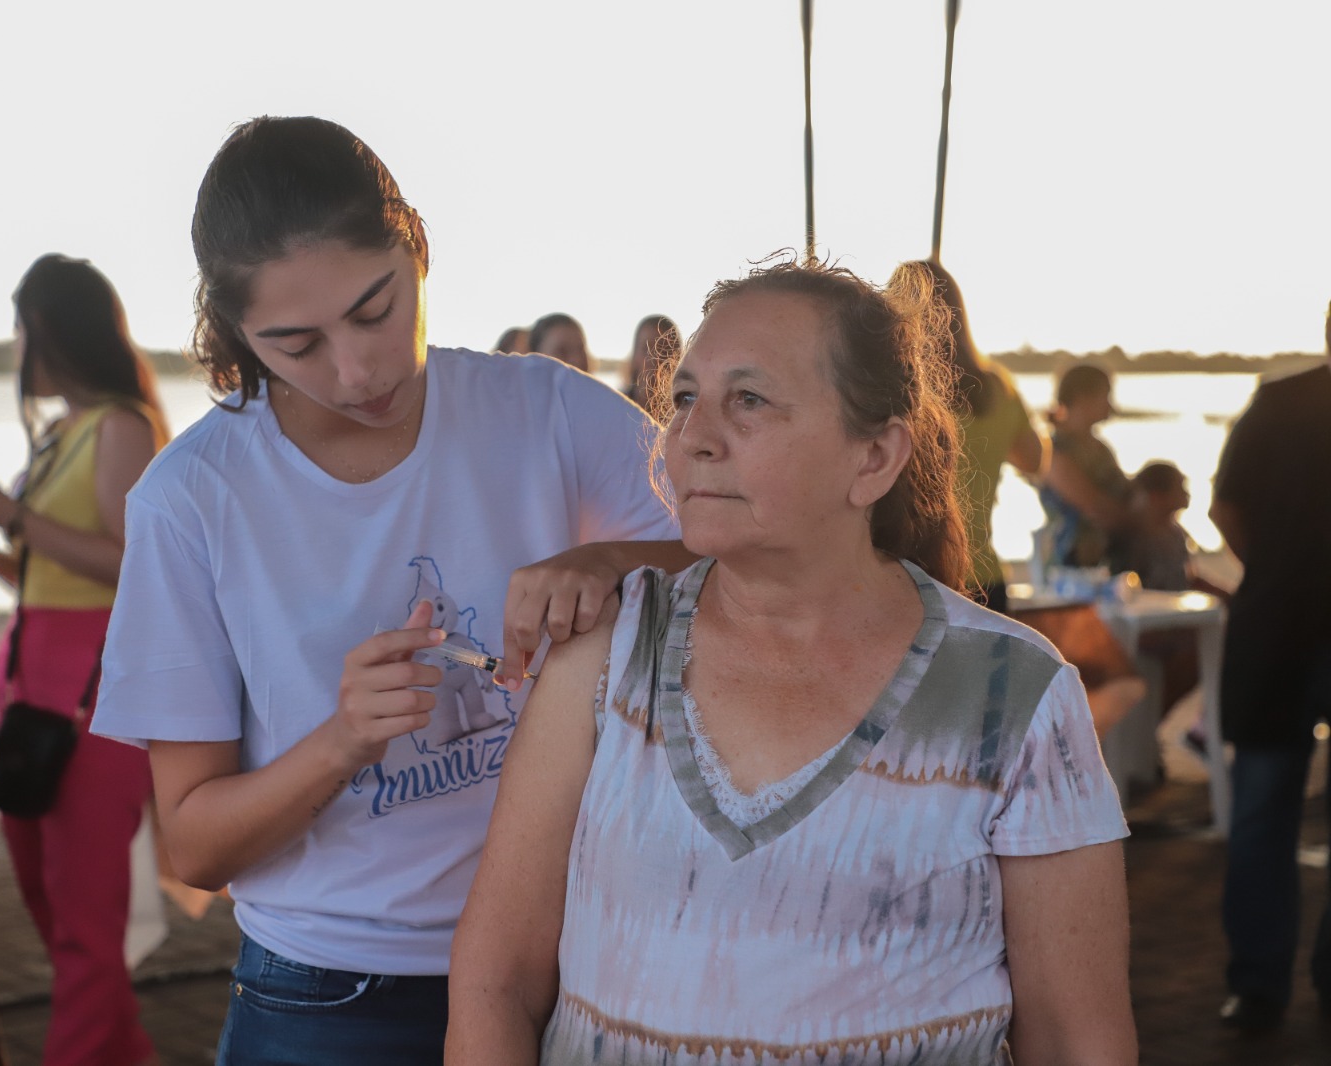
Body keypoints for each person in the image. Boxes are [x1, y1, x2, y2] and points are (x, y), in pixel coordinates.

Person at [87, 115, 684, 1065]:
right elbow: (193, 848)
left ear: (418, 248)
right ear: (233, 333)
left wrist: (611, 563)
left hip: (576, 959)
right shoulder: (191, 500)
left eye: (375, 309)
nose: (358, 371)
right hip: (330, 998)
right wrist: (343, 739)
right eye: (296, 344)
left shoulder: (545, 408)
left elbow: (752, 559)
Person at [448, 260, 1137, 1065]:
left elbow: (1075, 1038)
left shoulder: (1012, 695)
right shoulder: (605, 657)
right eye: (684, 399)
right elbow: (497, 981)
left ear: (874, 458)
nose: (693, 437)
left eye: (748, 400)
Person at [0, 254, 168, 1066]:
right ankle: (125, 1051)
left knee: (83, 915)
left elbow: (135, 567)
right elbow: (58, 579)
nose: (14, 350)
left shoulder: (121, 426)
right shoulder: (61, 432)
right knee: (44, 895)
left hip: (92, 695)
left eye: (21, 330)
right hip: (30, 679)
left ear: (53, 332)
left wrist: (12, 516)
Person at [1211, 314, 1331, 1034]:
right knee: (1261, 814)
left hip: (1274, 624)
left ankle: (1263, 985)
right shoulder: (1279, 404)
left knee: (1262, 814)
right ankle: (1258, 984)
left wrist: (1272, 569)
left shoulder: (1276, 403)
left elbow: (1225, 509)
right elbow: (1224, 505)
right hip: (1279, 632)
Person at [891, 261, 1046, 613]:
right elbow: (1035, 462)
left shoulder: (899, 392)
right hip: (985, 577)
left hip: (917, 577)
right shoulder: (998, 387)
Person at [1038, 363, 1139, 572]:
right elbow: (1096, 507)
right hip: (1071, 570)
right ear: (1082, 397)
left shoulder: (1100, 448)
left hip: (1109, 565)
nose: (1112, 406)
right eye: (1106, 396)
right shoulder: (1054, 452)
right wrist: (1145, 523)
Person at [624, 313, 681, 408]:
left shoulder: (685, 412)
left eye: (663, 350)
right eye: (646, 349)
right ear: (635, 355)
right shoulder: (615, 405)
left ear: (677, 358)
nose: (654, 358)